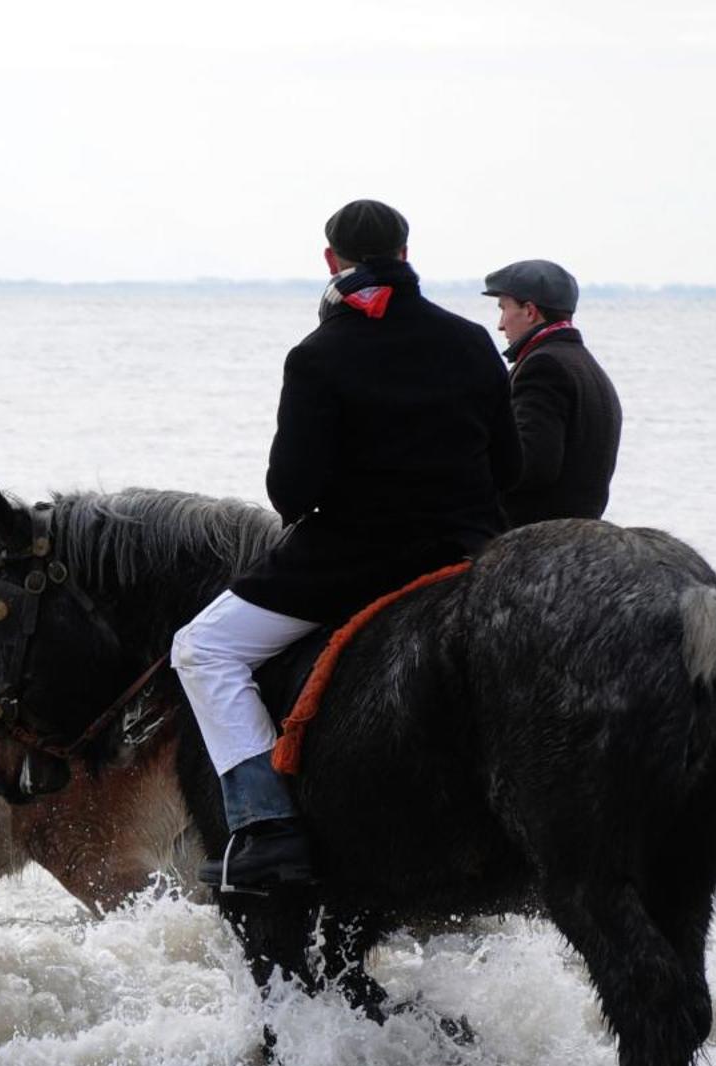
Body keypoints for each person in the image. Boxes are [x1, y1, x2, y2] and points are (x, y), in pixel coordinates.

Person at [171, 200, 519, 890]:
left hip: (355, 562)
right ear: (406, 249)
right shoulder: (471, 341)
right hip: (466, 557)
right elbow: (508, 469)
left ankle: (266, 827)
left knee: (202, 647)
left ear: (332, 260)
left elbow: (291, 492)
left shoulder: (320, 352)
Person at [482, 259, 622, 527]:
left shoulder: (543, 366)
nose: (500, 324)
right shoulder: (584, 363)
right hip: (579, 528)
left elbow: (532, 466)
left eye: (504, 309)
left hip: (534, 534)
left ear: (530, 311)